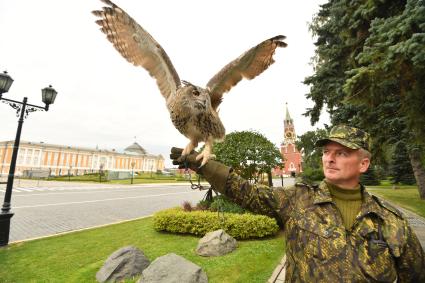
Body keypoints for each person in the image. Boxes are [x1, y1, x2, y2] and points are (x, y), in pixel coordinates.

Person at [170, 125, 425, 282]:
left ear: (364, 164)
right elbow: (247, 192)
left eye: (342, 153)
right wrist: (203, 165)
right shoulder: (298, 200)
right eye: (326, 152)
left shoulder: (391, 222)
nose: (329, 159)